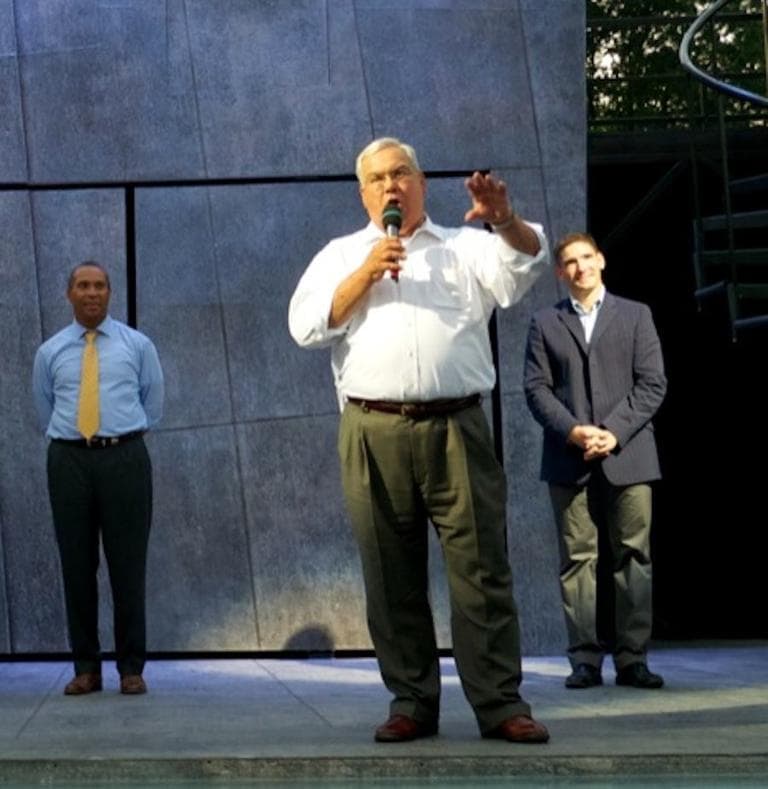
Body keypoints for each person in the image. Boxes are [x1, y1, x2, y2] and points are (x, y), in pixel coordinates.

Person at [289, 137, 550, 743]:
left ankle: (499, 704)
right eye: (377, 178)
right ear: (363, 194)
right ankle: (410, 701)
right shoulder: (341, 254)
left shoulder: (466, 247)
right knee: (390, 573)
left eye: (400, 173)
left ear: (421, 182)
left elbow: (527, 266)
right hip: (371, 429)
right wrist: (365, 273)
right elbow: (305, 326)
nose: (390, 186)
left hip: (458, 427)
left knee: (482, 568)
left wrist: (505, 220)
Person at [523, 232, 667, 690]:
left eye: (587, 257)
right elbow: (536, 389)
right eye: (570, 261)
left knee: (634, 557)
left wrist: (614, 431)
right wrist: (574, 430)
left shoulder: (636, 315)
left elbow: (652, 384)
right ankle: (584, 660)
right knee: (577, 560)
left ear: (601, 260)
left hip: (629, 454)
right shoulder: (545, 322)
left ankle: (632, 660)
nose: (580, 267)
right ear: (560, 272)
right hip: (570, 457)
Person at [32, 261, 164, 696]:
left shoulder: (137, 345)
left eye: (100, 286)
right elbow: (43, 406)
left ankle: (131, 668)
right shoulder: (50, 351)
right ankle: (86, 668)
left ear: (110, 293)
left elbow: (153, 402)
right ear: (69, 294)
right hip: (69, 462)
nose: (92, 293)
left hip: (124, 458)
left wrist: (120, 438)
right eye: (83, 286)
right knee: (76, 567)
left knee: (129, 567)